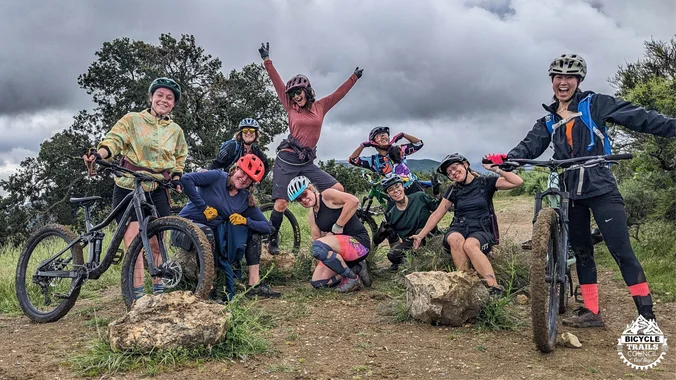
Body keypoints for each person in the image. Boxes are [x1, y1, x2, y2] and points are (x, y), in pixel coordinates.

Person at [505, 53, 676, 326]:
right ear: (552, 81)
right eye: (558, 77)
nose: (563, 82)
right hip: (571, 192)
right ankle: (593, 313)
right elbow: (529, 146)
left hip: (601, 187)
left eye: (569, 77)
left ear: (578, 80)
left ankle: (647, 315)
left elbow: (641, 118)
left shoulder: (595, 104)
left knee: (622, 252)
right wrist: (507, 160)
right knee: (583, 252)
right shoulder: (548, 120)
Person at [83, 77, 187, 300]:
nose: (164, 100)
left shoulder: (176, 130)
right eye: (159, 95)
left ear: (174, 104)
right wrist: (99, 154)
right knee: (134, 244)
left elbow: (180, 156)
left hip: (158, 187)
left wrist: (177, 175)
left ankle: (159, 294)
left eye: (169, 98)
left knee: (157, 243)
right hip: (129, 185)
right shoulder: (132, 120)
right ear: (151, 98)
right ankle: (137, 298)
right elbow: (115, 140)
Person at [258, 42, 364, 254]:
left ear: (307, 91)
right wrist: (267, 60)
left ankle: (331, 228)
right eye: (294, 93)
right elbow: (278, 84)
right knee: (281, 203)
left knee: (338, 190)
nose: (296, 96)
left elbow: (339, 94)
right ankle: (271, 239)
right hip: (287, 161)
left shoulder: (320, 107)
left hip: (307, 162)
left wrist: (353, 78)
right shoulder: (290, 106)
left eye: (299, 92)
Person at [410, 153, 523, 296]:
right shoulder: (453, 190)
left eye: (455, 167)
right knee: (454, 239)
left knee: (470, 245)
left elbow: (517, 182)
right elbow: (437, 213)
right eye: (449, 172)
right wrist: (420, 236)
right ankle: (465, 283)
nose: (453, 173)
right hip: (459, 227)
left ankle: (494, 288)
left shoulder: (485, 183)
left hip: (481, 230)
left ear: (465, 165)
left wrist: (496, 169)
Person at [178, 154, 280, 301]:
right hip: (184, 227)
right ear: (235, 169)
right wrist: (203, 207)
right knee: (206, 232)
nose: (244, 178)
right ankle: (209, 290)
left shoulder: (245, 199)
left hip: (213, 238)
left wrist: (245, 221)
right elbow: (186, 179)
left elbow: (267, 227)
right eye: (243, 172)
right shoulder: (217, 177)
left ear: (252, 182)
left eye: (249, 178)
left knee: (254, 232)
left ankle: (254, 284)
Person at [287, 176, 372, 293]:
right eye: (299, 199)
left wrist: (338, 226)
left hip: (359, 244)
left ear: (310, 188)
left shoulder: (327, 196)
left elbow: (353, 201)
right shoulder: (312, 215)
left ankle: (352, 278)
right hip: (340, 254)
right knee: (318, 283)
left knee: (318, 247)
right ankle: (355, 269)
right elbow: (317, 240)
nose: (304, 200)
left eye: (304, 194)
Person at [380, 174, 440, 271]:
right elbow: (390, 238)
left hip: (431, 236)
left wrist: (436, 193)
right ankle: (417, 260)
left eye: (397, 186)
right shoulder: (391, 214)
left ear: (403, 187)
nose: (395, 191)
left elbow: (439, 209)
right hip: (412, 244)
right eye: (390, 189)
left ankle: (424, 259)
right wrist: (383, 230)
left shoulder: (419, 197)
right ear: (388, 194)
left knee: (419, 231)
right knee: (392, 255)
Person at [348, 126, 425, 194]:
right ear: (372, 142)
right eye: (379, 136)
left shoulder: (399, 150)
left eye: (384, 135)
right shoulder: (373, 161)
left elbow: (418, 144)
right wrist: (362, 146)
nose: (383, 137)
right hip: (395, 193)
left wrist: (403, 135)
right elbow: (352, 160)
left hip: (412, 187)